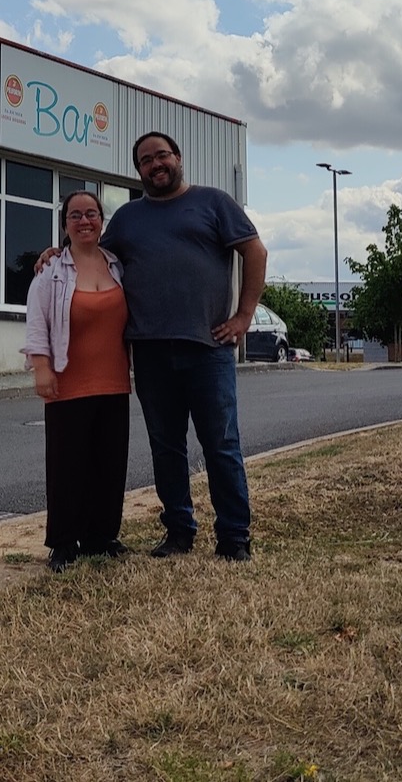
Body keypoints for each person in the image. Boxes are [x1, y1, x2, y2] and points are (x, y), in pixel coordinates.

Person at [104, 131, 268, 561]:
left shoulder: (214, 203)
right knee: (166, 447)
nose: (155, 165)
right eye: (145, 160)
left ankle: (234, 538)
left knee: (221, 445)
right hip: (151, 351)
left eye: (162, 156)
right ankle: (179, 531)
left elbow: (255, 252)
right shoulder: (126, 219)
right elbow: (93, 260)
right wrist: (53, 252)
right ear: (138, 170)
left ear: (178, 158)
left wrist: (244, 316)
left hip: (207, 349)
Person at [21, 190, 133, 572]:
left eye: (92, 214)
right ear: (65, 224)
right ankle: (64, 543)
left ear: (102, 220)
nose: (85, 221)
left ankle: (102, 536)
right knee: (68, 466)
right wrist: (41, 368)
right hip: (68, 383)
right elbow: (36, 322)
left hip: (115, 383)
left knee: (110, 464)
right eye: (75, 215)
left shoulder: (118, 265)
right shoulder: (51, 272)